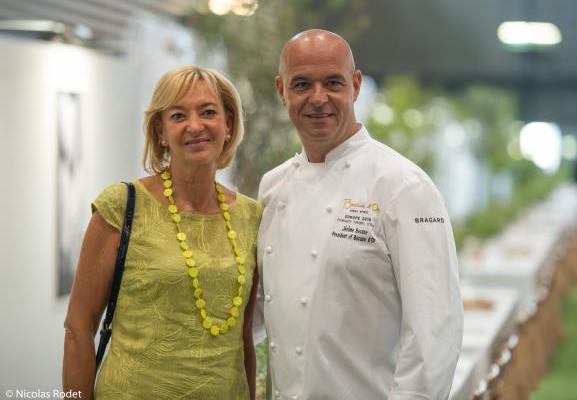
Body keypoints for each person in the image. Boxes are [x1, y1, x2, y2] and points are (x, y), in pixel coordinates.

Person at [255, 30, 463, 400]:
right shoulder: (273, 187)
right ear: (282, 91)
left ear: (355, 86)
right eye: (301, 84)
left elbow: (434, 329)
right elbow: (266, 313)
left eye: (332, 83)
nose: (318, 98)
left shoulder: (403, 186)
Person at [63, 65, 261, 399]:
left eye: (208, 112)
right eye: (179, 115)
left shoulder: (251, 216)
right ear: (160, 131)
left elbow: (243, 340)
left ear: (228, 124)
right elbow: (78, 330)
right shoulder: (121, 206)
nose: (195, 126)